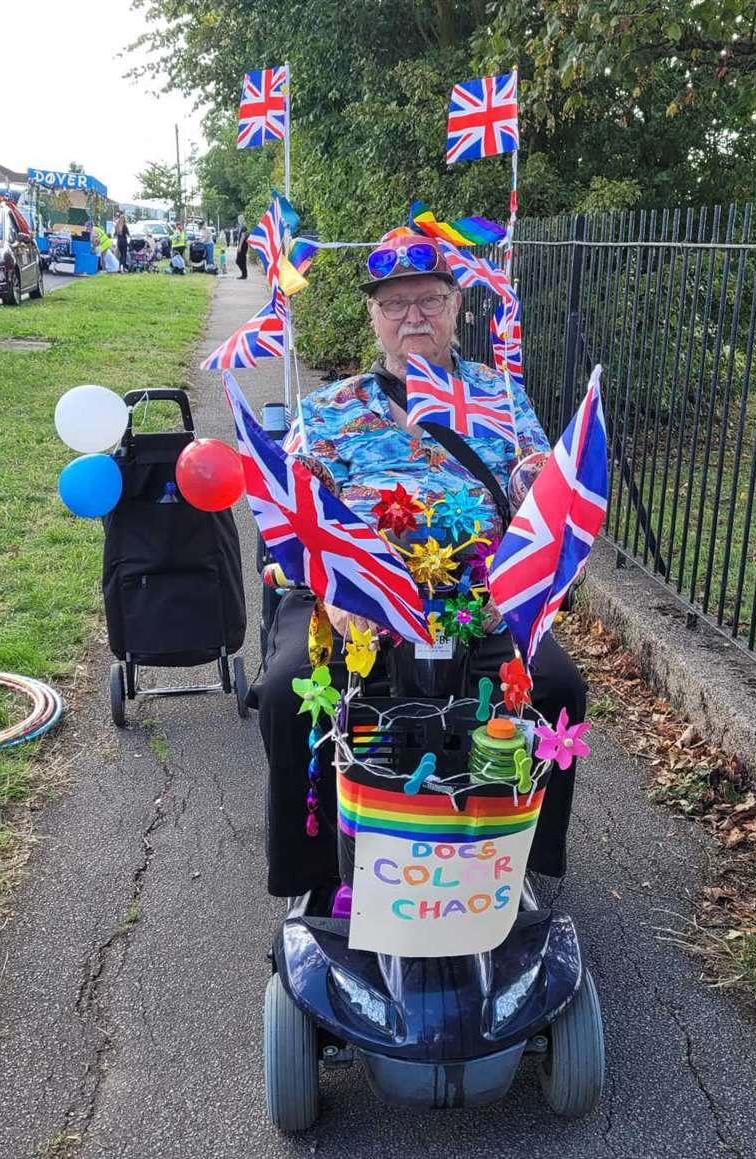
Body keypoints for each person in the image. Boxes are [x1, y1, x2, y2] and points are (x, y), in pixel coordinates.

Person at [254, 227, 586, 899]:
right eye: (394, 303)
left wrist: (541, 563)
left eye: (429, 300)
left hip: (477, 596)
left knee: (556, 686)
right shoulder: (330, 409)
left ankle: (520, 852)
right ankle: (316, 872)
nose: (413, 316)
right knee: (289, 692)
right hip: (358, 595)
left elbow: (540, 490)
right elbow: (292, 514)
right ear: (373, 316)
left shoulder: (499, 396)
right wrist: (331, 589)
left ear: (456, 307)